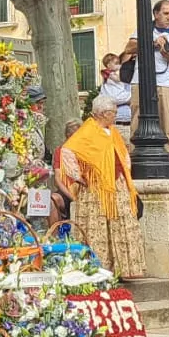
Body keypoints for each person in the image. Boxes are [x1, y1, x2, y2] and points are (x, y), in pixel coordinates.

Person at [56, 97, 146, 278]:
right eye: (113, 113)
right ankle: (99, 268)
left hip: (117, 185)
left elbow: (122, 154)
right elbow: (68, 150)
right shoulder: (87, 131)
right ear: (104, 113)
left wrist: (125, 173)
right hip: (95, 189)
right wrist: (80, 177)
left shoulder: (112, 132)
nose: (115, 116)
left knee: (122, 223)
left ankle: (124, 269)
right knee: (97, 227)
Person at [121, 0, 169, 156]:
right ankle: (134, 159)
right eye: (165, 13)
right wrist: (152, 43)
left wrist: (167, 56)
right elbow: (129, 48)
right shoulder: (143, 30)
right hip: (140, 81)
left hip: (166, 83)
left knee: (168, 125)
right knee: (136, 122)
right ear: (156, 14)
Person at [96, 54, 132, 126]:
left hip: (117, 100)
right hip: (116, 96)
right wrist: (123, 68)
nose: (118, 65)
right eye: (116, 64)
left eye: (119, 63)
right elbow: (118, 79)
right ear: (109, 65)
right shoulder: (109, 73)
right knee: (133, 96)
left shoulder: (111, 73)